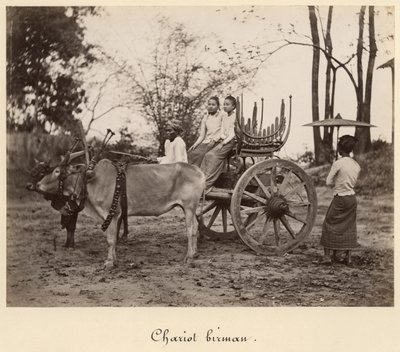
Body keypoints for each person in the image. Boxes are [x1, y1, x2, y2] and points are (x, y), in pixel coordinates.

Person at [320, 135, 361, 265]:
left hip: (340, 197)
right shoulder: (356, 165)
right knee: (349, 226)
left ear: (339, 149)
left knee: (329, 223)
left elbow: (328, 182)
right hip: (352, 198)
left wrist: (337, 177)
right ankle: (348, 257)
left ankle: (327, 257)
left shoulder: (338, 163)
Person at [200, 95, 237, 192]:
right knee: (207, 155)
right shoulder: (225, 116)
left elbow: (232, 134)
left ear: (233, 107)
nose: (225, 106)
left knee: (212, 156)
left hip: (230, 141)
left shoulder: (234, 117)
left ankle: (208, 184)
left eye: (227, 105)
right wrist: (220, 139)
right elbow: (221, 130)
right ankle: (201, 181)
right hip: (223, 140)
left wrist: (223, 143)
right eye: (224, 104)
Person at [188, 96, 223, 167]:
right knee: (191, 153)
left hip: (218, 141)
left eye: (213, 105)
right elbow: (202, 136)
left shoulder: (222, 116)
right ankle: (191, 173)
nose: (211, 106)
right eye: (209, 104)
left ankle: (200, 173)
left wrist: (214, 140)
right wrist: (195, 144)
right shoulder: (205, 118)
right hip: (206, 141)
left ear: (218, 106)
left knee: (202, 154)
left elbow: (223, 130)